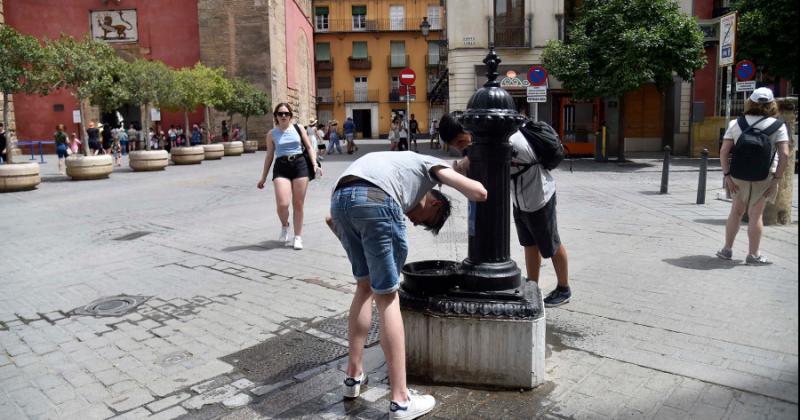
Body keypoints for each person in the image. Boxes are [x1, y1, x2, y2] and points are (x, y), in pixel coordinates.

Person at [327, 151, 487, 419]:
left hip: (339, 199)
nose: (414, 221)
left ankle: (353, 377)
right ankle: (401, 401)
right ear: (434, 203)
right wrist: (480, 187)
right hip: (377, 199)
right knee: (388, 298)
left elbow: (331, 220)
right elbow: (478, 193)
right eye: (424, 220)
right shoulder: (426, 164)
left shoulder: (398, 165)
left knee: (363, 287)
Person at [439, 113, 573, 307]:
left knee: (550, 244)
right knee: (529, 243)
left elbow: (487, 163)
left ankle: (564, 288)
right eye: (456, 145)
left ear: (470, 130)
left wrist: (464, 165)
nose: (461, 148)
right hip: (520, 199)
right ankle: (533, 286)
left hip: (539, 196)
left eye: (461, 142)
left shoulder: (506, 140)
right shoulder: (488, 140)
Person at [717, 87, 790, 265]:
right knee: (756, 215)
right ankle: (753, 255)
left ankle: (727, 250)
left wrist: (727, 175)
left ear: (750, 102)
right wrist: (777, 179)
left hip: (737, 175)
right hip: (764, 176)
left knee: (736, 212)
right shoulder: (778, 126)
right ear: (772, 104)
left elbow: (724, 151)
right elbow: (785, 155)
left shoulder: (736, 123)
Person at [257, 103, 320, 250]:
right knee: (282, 204)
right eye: (280, 114)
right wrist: (263, 177)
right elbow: (269, 156)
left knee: (298, 204)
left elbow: (309, 147)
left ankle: (298, 237)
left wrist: (315, 164)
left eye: (286, 113)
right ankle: (285, 225)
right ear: (276, 116)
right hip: (281, 166)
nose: (283, 116)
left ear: (290, 116)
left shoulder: (298, 128)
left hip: (300, 165)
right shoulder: (271, 134)